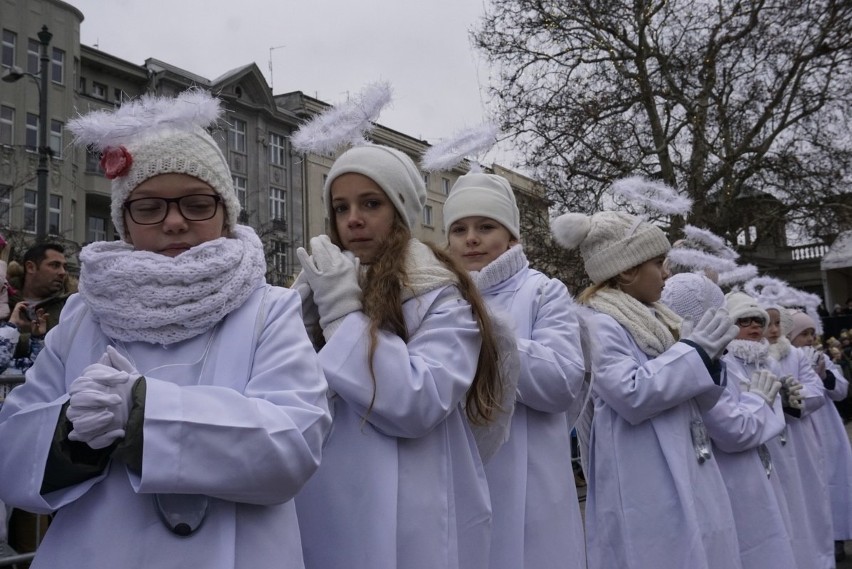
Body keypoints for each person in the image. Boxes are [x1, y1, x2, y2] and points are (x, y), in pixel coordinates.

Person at [0, 90, 331, 569]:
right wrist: (70, 427)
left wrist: (142, 414)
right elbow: (12, 453)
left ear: (225, 212)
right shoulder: (83, 314)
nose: (174, 222)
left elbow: (294, 444)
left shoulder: (268, 309)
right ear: (125, 223)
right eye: (150, 207)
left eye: (196, 203)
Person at [293, 144, 504, 569]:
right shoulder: (314, 286)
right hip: (329, 498)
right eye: (340, 207)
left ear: (401, 209)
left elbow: (418, 399)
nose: (352, 219)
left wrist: (341, 311)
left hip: (416, 506)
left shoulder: (440, 294)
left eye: (370, 203)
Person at [551, 209, 742, 569]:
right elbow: (630, 393)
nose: (667, 273)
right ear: (626, 269)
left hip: (683, 458)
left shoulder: (659, 318)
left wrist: (711, 361)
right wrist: (694, 353)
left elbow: (700, 399)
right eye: (659, 262)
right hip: (641, 472)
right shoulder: (598, 322)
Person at [443, 172, 587, 569]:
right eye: (459, 229)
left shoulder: (543, 291)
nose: (470, 238)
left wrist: (491, 337)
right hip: (455, 475)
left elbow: (562, 379)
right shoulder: (435, 298)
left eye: (486, 226)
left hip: (533, 485)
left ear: (511, 237)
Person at [662, 276, 794, 569]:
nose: (754, 328)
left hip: (754, 477)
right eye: (740, 320)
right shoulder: (711, 365)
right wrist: (761, 400)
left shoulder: (734, 361)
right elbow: (734, 430)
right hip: (733, 481)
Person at [763, 305, 834, 569]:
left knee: (810, 501)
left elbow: (816, 391)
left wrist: (789, 398)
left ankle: (819, 560)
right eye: (766, 322)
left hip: (800, 439)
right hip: (769, 442)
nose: (772, 329)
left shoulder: (793, 354)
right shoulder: (747, 356)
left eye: (777, 323)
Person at [787, 310, 852, 562]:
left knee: (836, 482)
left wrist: (824, 375)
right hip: (803, 429)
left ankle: (837, 536)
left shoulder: (823, 358)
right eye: (804, 334)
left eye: (812, 333)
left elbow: (842, 391)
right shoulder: (784, 358)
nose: (810, 338)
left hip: (828, 430)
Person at [6, 243, 69, 360]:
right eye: (55, 265)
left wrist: (18, 337)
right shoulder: (4, 299)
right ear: (31, 267)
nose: (62, 272)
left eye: (64, 267)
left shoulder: (69, 307)